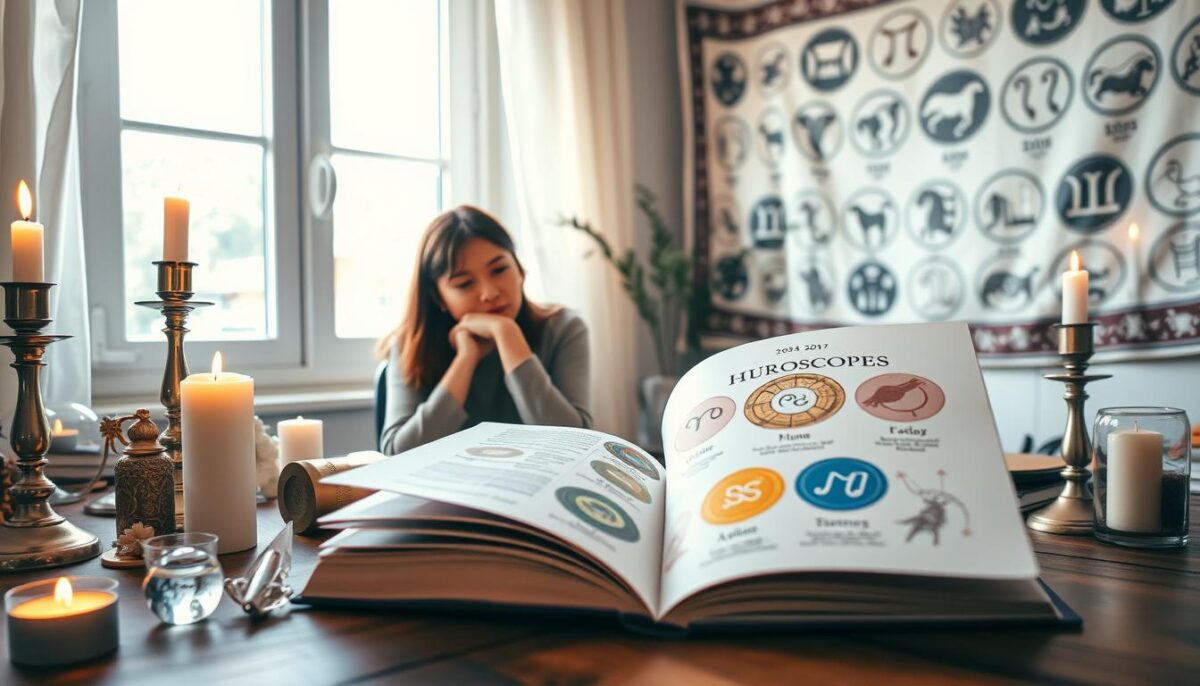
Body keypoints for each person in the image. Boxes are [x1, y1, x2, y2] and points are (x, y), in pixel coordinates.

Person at [377, 205, 591, 455]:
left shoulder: (564, 328)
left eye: (499, 270)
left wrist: (508, 336)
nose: (489, 293)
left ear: (519, 269)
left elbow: (576, 444)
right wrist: (466, 360)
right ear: (439, 297)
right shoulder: (411, 344)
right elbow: (398, 453)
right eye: (464, 284)